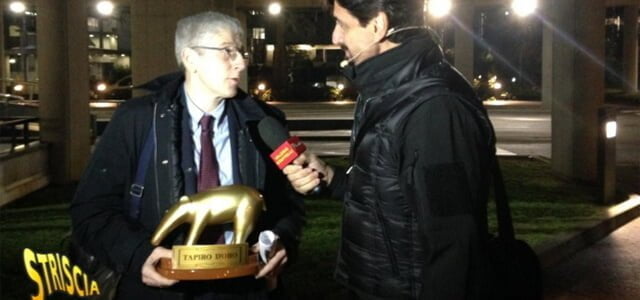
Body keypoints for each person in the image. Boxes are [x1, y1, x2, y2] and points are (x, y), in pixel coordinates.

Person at [71, 11, 304, 299]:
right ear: (190, 58)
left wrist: (278, 241)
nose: (242, 63)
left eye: (241, 52)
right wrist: (138, 254)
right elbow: (91, 211)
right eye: (228, 51)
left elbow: (289, 206)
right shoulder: (137, 120)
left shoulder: (265, 121)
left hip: (245, 287)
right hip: (161, 291)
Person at [283, 0, 496, 299]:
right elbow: (388, 196)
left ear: (377, 26)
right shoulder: (386, 90)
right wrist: (331, 178)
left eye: (342, 24)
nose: (335, 37)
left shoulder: (434, 109)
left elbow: (454, 248)